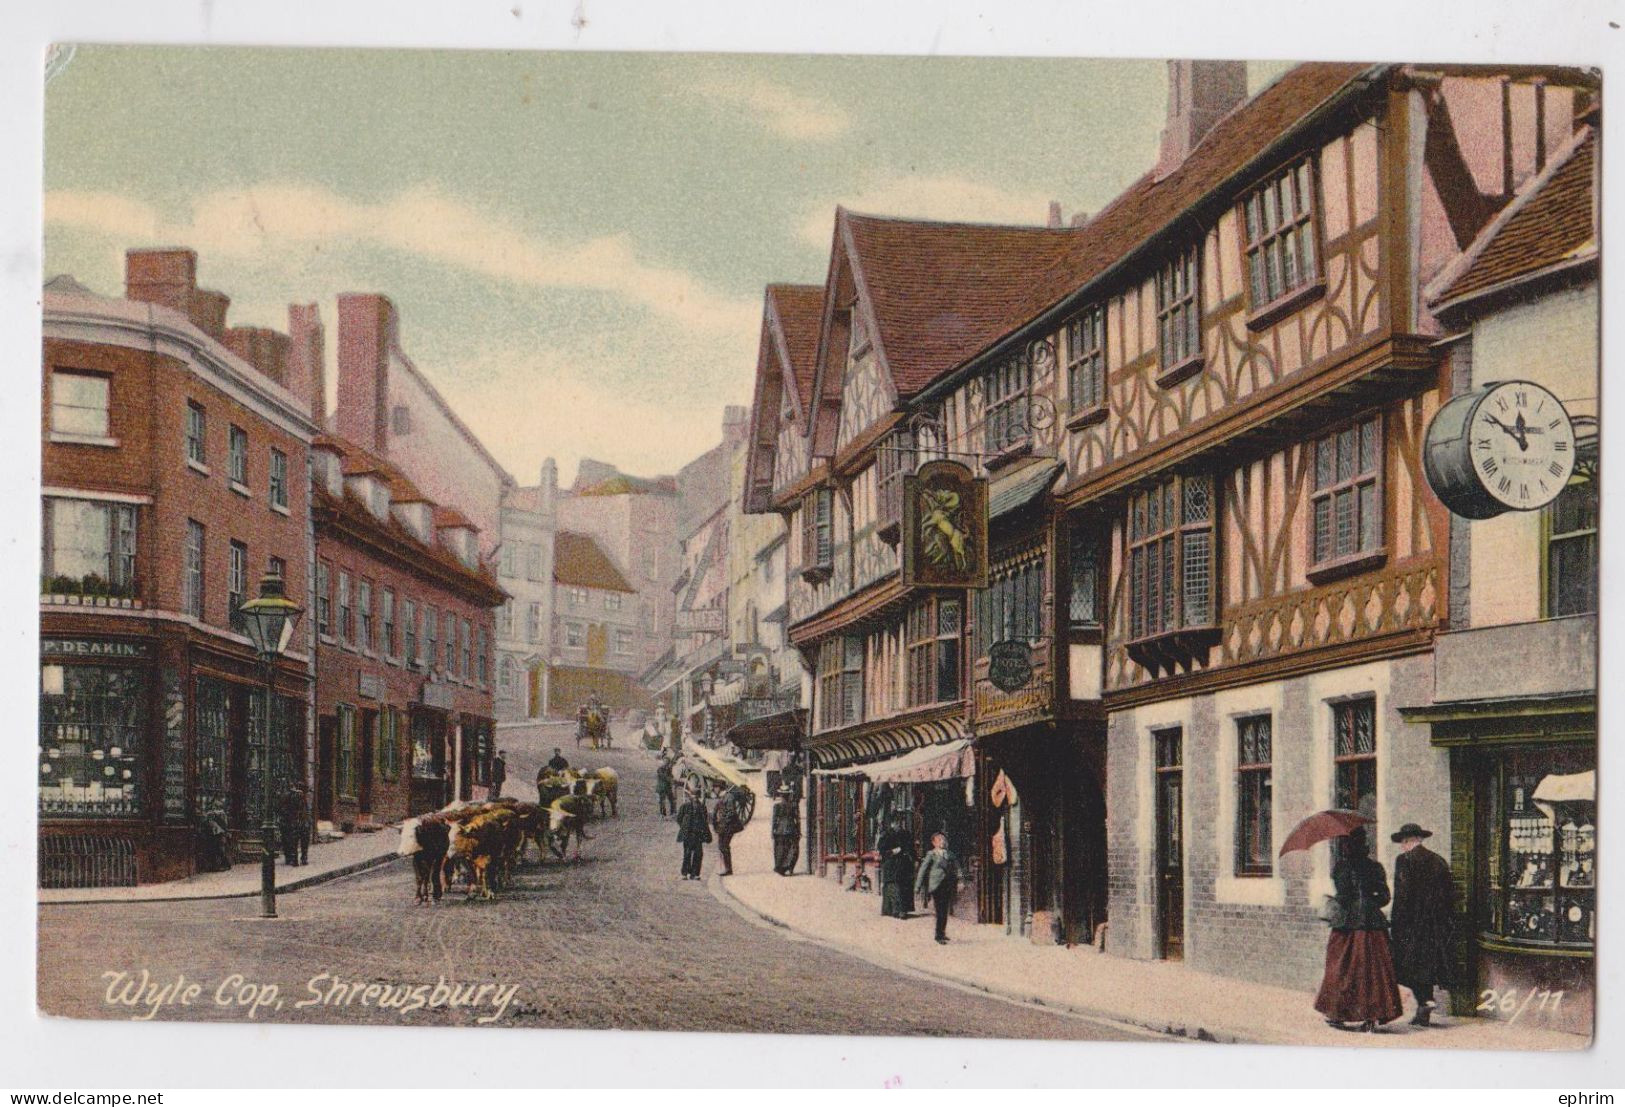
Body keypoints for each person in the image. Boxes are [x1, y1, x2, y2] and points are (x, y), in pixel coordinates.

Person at [1314, 826, 1403, 1031]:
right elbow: (1384, 898)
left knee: (1342, 969)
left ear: (1345, 845)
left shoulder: (1341, 867)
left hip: (1348, 926)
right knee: (1374, 972)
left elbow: (1343, 896)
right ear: (1365, 845)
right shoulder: (1375, 867)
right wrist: (1369, 899)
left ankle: (1338, 1014)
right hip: (1373, 925)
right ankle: (1371, 1017)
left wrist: (1339, 901)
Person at [1389, 822, 1455, 1027]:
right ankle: (1425, 1006)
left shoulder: (1404, 860)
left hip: (1411, 925)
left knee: (1407, 967)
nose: (1401, 846)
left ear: (1409, 841)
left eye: (1402, 842)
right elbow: (1449, 896)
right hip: (1434, 925)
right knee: (1426, 966)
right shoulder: (1438, 861)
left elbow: (1402, 896)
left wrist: (1396, 924)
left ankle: (1425, 1003)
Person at [914, 831, 961, 944]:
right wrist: (917, 886)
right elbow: (922, 870)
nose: (942, 842)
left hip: (948, 884)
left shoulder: (950, 854)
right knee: (940, 910)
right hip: (936, 885)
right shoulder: (931, 854)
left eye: (944, 840)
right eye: (939, 840)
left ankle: (942, 933)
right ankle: (938, 935)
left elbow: (958, 867)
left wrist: (960, 881)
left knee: (945, 910)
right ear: (934, 843)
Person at [878, 813, 916, 918]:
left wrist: (913, 858)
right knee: (893, 887)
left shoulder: (906, 834)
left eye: (899, 822)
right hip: (891, 864)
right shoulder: (886, 835)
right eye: (896, 822)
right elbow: (881, 850)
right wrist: (892, 851)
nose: (898, 825)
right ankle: (896, 910)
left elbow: (911, 848)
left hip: (903, 864)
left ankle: (902, 909)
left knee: (903, 887)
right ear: (892, 823)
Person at [711, 783, 748, 877]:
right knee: (722, 846)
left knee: (724, 846)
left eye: (715, 787)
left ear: (719, 787)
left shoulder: (729, 797)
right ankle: (727, 868)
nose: (714, 789)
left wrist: (723, 821)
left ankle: (728, 869)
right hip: (724, 826)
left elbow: (731, 812)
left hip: (729, 826)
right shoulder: (723, 796)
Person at [676, 791, 712, 880]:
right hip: (688, 834)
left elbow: (705, 820)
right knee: (687, 854)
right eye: (693, 795)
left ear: (699, 797)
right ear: (690, 796)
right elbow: (679, 818)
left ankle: (695, 874)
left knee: (698, 854)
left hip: (698, 835)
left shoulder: (702, 807)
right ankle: (684, 873)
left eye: (697, 795)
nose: (695, 797)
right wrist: (684, 827)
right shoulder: (685, 806)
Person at [277, 786, 311, 867]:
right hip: (299, 822)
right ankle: (301, 858)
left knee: (293, 841)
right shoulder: (300, 798)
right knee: (299, 841)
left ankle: (294, 859)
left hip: (295, 822)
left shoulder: (287, 796)